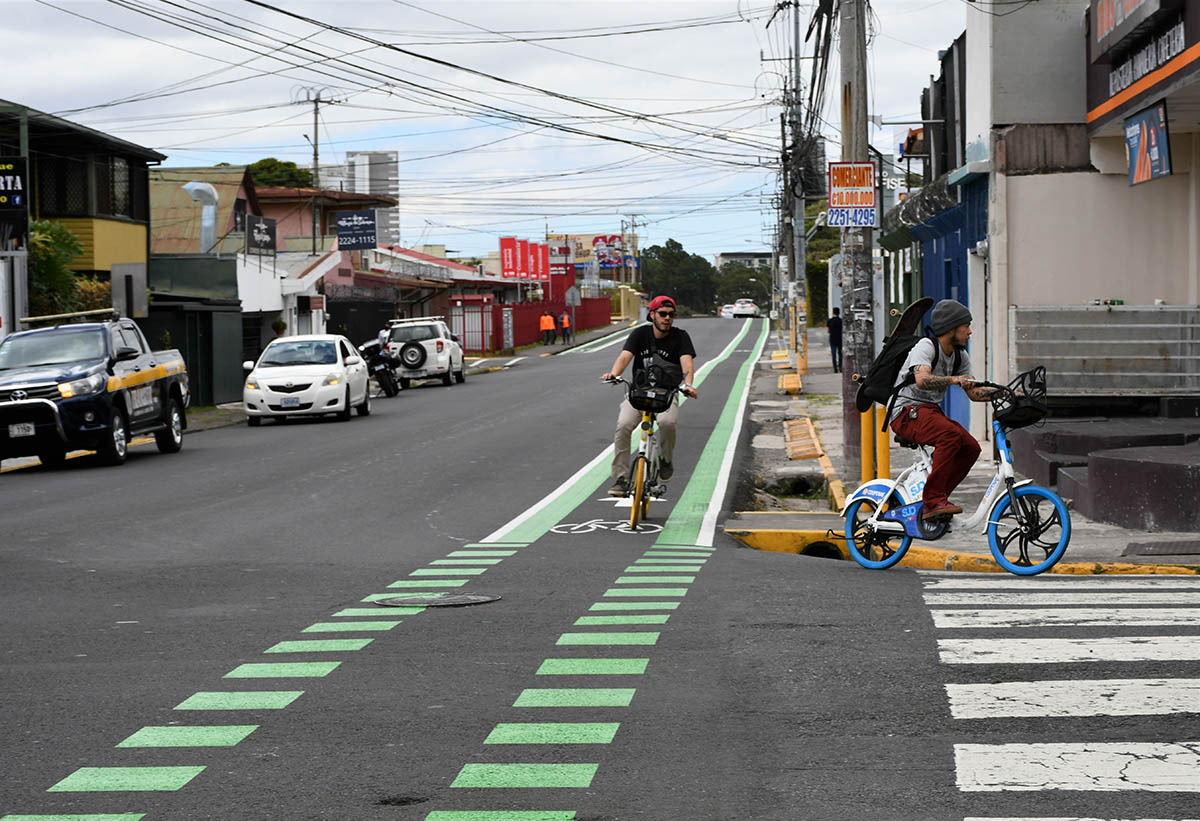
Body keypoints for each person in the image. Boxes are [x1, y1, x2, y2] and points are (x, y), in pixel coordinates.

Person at [888, 298, 995, 520]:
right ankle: (933, 500)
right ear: (951, 328)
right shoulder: (926, 347)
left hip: (927, 411)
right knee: (950, 435)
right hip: (905, 411)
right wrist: (955, 379)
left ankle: (939, 497)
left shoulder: (960, 355)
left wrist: (1006, 393)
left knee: (971, 447)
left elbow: (974, 393)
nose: (970, 332)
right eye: (966, 326)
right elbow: (922, 380)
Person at [601, 295, 698, 496]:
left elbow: (686, 362)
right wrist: (614, 374)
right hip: (639, 393)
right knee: (623, 426)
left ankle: (666, 460)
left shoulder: (680, 337)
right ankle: (621, 477)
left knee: (667, 423)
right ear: (652, 315)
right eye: (662, 314)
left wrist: (688, 385)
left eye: (671, 315)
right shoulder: (640, 334)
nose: (667, 318)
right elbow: (625, 356)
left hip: (666, 394)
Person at [826, 307, 842, 372]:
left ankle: (835, 369)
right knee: (840, 354)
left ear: (833, 313)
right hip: (840, 339)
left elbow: (828, 331)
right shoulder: (841, 321)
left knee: (833, 354)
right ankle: (840, 367)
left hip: (832, 339)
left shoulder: (829, 321)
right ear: (839, 313)